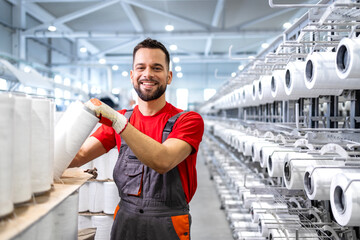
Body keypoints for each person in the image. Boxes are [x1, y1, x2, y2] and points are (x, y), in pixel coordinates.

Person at [70, 38, 204, 240]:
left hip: (168, 224)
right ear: (132, 75)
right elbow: (79, 155)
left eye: (157, 68)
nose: (148, 74)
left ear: (169, 77)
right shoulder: (123, 118)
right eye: (141, 67)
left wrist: (117, 121)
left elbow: (163, 160)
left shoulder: (188, 120)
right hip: (126, 220)